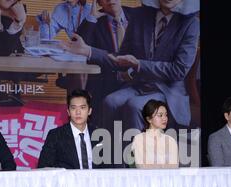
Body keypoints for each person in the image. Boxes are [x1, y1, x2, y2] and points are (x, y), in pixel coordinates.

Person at [62, 0, 200, 132]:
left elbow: (179, 70)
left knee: (134, 106)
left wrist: (139, 65)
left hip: (167, 91)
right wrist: (88, 51)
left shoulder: (190, 23)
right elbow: (122, 58)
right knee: (110, 101)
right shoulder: (141, 16)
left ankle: (135, 155)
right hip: (137, 85)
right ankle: (109, 153)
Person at [63, 0, 133, 126]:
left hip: (136, 78)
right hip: (106, 81)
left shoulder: (137, 16)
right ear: (99, 2)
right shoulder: (96, 19)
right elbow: (77, 45)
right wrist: (91, 18)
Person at [38, 89, 107, 169]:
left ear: (89, 111)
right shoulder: (55, 135)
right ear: (68, 111)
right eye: (73, 108)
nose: (78, 112)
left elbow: (110, 170)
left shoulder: (100, 136)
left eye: (82, 108)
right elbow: (43, 167)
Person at [131, 99, 178, 169]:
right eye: (160, 115)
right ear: (149, 119)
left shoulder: (171, 141)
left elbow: (174, 167)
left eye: (166, 115)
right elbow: (142, 167)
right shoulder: (139, 139)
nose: (164, 118)